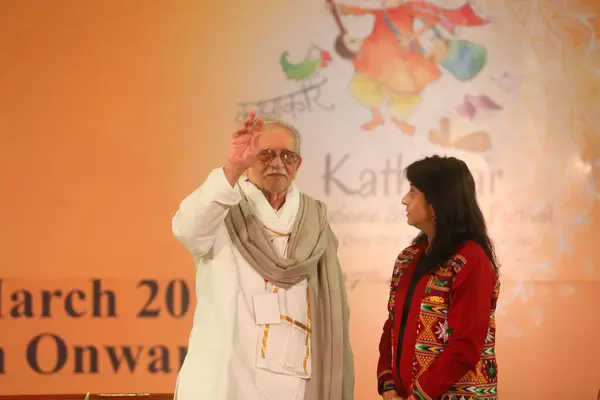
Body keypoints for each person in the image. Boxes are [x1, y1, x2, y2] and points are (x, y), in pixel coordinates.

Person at [171, 111, 354, 400]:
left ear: (298, 163)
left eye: (287, 156)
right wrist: (231, 168)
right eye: (265, 154)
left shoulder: (314, 220)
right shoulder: (223, 205)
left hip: (293, 376)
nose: (277, 163)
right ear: (248, 159)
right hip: (226, 375)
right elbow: (186, 229)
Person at [377, 155, 500, 400]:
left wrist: (419, 395)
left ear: (435, 203)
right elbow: (391, 327)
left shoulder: (470, 260)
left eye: (412, 192)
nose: (404, 200)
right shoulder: (407, 259)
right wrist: (388, 384)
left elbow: (465, 346)